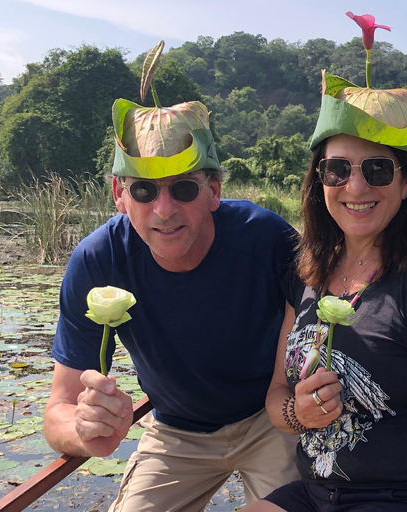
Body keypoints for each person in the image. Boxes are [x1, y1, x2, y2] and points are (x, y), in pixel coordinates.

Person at [243, 15, 407, 512]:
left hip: (404, 498)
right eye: (337, 169)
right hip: (316, 494)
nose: (356, 187)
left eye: (378, 168)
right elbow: (276, 399)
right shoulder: (307, 272)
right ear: (319, 181)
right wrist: (301, 413)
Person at [43, 75, 299, 511]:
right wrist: (85, 428)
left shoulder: (267, 238)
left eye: (184, 188)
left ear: (213, 191)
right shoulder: (97, 259)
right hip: (178, 430)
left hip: (271, 421)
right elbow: (58, 410)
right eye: (143, 189)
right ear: (119, 194)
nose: (164, 210)